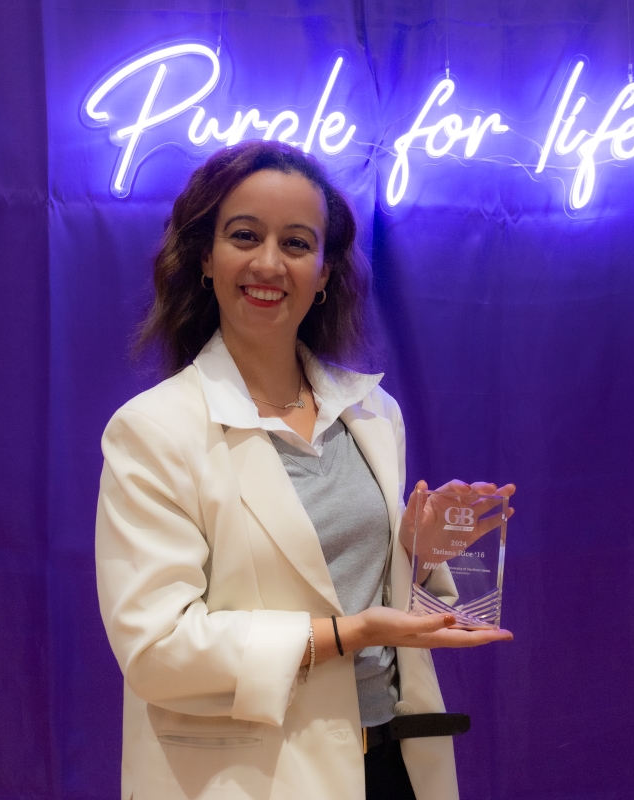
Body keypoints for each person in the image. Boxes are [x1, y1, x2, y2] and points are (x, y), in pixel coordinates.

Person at [95, 139, 515, 800]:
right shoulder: (153, 430)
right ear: (205, 257)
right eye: (244, 235)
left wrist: (417, 551)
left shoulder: (373, 412)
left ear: (324, 272)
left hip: (391, 764)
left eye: (296, 243)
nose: (269, 263)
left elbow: (364, 588)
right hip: (255, 779)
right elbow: (157, 650)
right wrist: (350, 635)